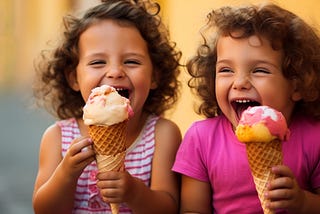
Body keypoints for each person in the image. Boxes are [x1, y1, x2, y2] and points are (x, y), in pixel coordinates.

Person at [32, 0, 182, 213]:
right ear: (74, 78)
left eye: (131, 61)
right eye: (97, 62)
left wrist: (134, 192)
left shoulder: (163, 134)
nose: (115, 71)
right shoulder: (57, 137)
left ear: (155, 75)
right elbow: (44, 210)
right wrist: (66, 174)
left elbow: (169, 208)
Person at [172, 3, 320, 214]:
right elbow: (192, 210)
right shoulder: (201, 138)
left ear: (296, 84)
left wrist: (303, 203)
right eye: (226, 70)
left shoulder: (314, 137)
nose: (240, 82)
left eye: (259, 70)